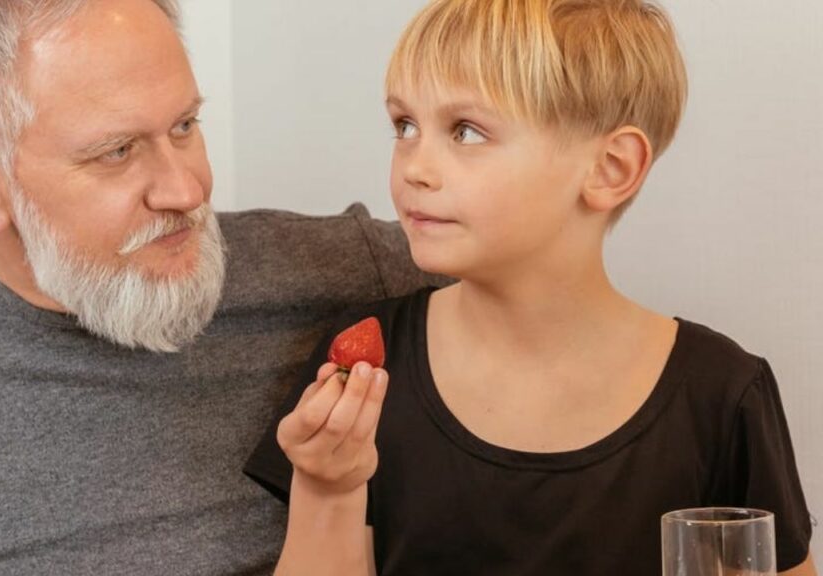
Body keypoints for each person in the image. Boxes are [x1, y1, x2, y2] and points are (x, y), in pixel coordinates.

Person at [0, 1, 443, 574]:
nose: (188, 192)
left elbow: (537, 259)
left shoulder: (342, 270)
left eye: (185, 126)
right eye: (116, 152)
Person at [244, 0, 817, 574]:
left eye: (466, 131)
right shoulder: (368, 363)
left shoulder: (721, 394)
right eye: (405, 126)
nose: (414, 166)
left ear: (610, 169)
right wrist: (328, 488)